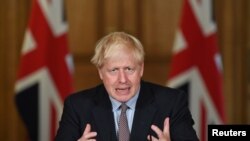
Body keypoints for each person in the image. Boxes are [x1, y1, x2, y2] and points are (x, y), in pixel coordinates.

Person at [55, 32, 199, 141]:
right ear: (100, 72)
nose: (122, 79)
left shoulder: (171, 103)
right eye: (113, 70)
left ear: (141, 69)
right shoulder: (77, 106)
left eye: (129, 69)